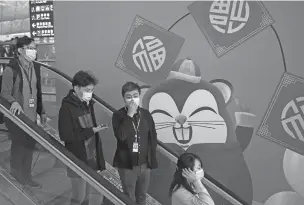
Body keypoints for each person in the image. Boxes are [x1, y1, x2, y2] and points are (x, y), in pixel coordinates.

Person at [1, 36, 47, 188]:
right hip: (17, 116)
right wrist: (14, 101)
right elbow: (4, 92)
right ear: (20, 50)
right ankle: (17, 174)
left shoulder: (36, 67)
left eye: (35, 48)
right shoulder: (11, 69)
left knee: (29, 147)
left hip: (32, 116)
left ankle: (27, 176)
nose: (34, 51)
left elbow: (37, 92)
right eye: (31, 48)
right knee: (19, 145)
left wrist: (42, 111)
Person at [58, 70, 108, 205]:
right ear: (76, 88)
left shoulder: (88, 103)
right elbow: (66, 135)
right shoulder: (67, 107)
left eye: (91, 90)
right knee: (78, 197)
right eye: (87, 90)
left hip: (92, 156)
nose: (90, 93)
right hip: (77, 158)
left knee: (87, 196)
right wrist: (91, 131)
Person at [112, 81, 158, 205]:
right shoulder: (118, 115)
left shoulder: (146, 114)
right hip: (127, 166)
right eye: (129, 96)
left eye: (135, 95)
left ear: (139, 96)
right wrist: (130, 114)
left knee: (142, 197)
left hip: (145, 165)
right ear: (124, 98)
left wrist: (151, 159)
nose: (133, 99)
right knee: (128, 198)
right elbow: (121, 136)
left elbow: (153, 137)